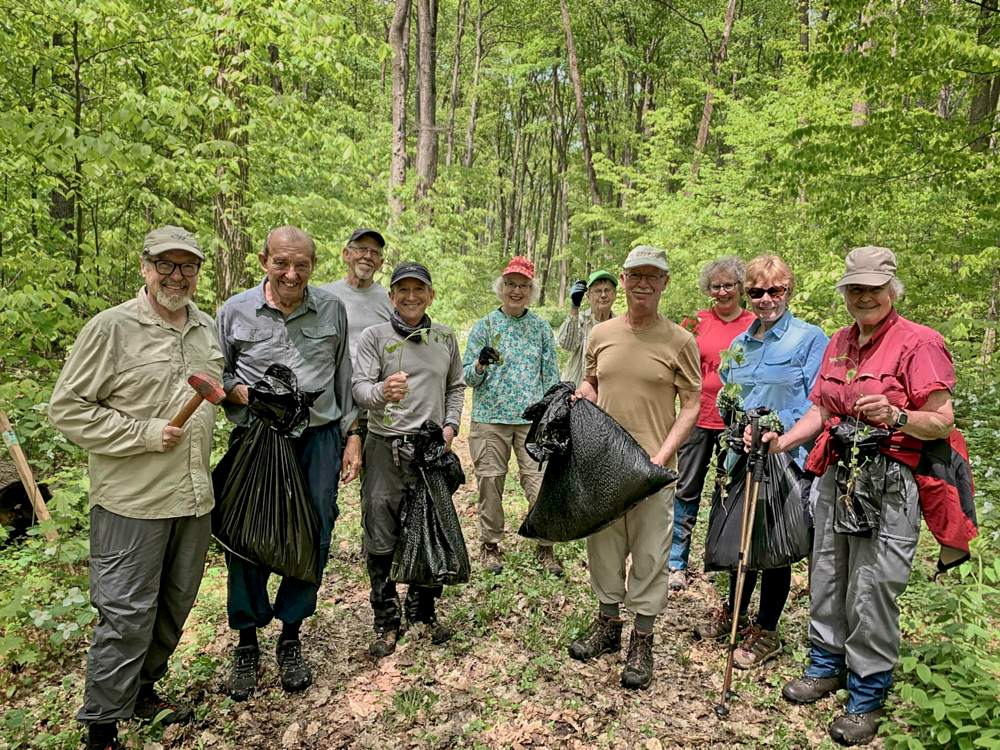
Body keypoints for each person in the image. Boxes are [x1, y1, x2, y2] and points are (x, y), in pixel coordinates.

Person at [764, 247, 957, 745]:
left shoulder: (919, 343)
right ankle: (825, 665)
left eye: (873, 288)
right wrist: (782, 441)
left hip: (889, 480)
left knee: (873, 586)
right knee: (827, 572)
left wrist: (895, 416)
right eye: (854, 288)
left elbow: (941, 421)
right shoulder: (839, 342)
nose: (863, 296)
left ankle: (867, 692)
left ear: (892, 290)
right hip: (837, 473)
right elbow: (822, 411)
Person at [49, 226, 223, 750]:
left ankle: (142, 690)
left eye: (187, 267)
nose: (177, 276)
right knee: (125, 614)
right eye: (166, 266)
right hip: (132, 502)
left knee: (174, 606)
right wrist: (144, 433)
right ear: (145, 268)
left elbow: (214, 391)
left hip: (193, 498)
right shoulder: (111, 329)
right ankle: (101, 726)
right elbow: (68, 409)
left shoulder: (206, 329)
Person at [216, 225, 361, 700]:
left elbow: (344, 377)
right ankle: (246, 640)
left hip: (317, 438)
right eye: (281, 263)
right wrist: (235, 394)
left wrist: (350, 438)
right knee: (248, 532)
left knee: (315, 529)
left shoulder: (332, 309)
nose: (291, 273)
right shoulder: (235, 310)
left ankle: (292, 633)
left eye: (301, 264)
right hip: (258, 437)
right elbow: (219, 371)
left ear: (314, 267)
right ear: (264, 262)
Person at [568, 245, 702, 690]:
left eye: (653, 276)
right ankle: (608, 625)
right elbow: (592, 379)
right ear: (622, 280)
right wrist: (585, 392)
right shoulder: (601, 334)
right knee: (604, 546)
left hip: (652, 468)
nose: (643, 283)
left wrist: (661, 456)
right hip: (603, 463)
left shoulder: (680, 341)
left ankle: (642, 638)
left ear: (664, 282)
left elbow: (693, 404)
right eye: (635, 275)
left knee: (649, 553)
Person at [695, 255, 828, 670]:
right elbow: (731, 399)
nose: (766, 299)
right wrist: (737, 426)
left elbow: (818, 402)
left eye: (775, 291)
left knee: (774, 543)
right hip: (742, 456)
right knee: (741, 538)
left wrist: (779, 435)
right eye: (757, 292)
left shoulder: (809, 338)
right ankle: (734, 613)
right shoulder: (739, 344)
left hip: (787, 458)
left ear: (788, 290)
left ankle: (766, 629)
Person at [352, 261, 465, 657]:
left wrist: (450, 427)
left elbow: (455, 387)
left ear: (431, 295)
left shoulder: (445, 338)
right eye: (403, 290)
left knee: (429, 526)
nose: (411, 297)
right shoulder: (375, 337)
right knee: (380, 532)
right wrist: (382, 390)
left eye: (419, 290)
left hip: (429, 449)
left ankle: (423, 610)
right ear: (391, 296)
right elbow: (359, 390)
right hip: (384, 446)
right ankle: (386, 617)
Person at [463, 256, 561, 576]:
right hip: (489, 418)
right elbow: (468, 377)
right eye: (510, 284)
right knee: (490, 482)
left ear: (531, 291)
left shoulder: (541, 328)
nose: (516, 290)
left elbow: (551, 376)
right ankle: (490, 544)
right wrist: (480, 364)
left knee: (539, 482)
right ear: (501, 287)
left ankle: (544, 545)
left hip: (530, 421)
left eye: (523, 285)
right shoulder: (485, 326)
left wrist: (550, 414)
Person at [667, 256, 755, 592]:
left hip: (736, 421)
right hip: (697, 416)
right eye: (716, 286)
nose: (722, 292)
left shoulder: (754, 323)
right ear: (708, 289)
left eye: (729, 285)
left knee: (730, 492)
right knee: (686, 488)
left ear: (740, 287)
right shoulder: (694, 322)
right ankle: (676, 562)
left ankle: (724, 558)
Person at [320, 227, 393, 366]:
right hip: (332, 382)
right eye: (362, 249)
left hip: (373, 384)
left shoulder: (390, 300)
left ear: (380, 263)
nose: (368, 256)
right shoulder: (324, 296)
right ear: (346, 254)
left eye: (374, 252)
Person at [557, 270, 618, 385]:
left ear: (614, 294)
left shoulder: (619, 325)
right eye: (598, 291)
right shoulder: (580, 320)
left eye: (607, 290)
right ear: (588, 295)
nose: (603, 295)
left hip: (606, 392)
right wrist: (574, 307)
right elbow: (567, 345)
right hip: (578, 392)